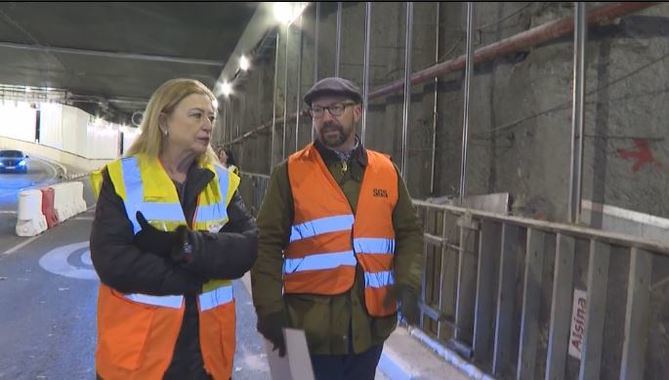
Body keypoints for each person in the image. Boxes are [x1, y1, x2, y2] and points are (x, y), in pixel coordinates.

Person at [251, 77, 423, 379]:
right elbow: (266, 243)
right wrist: (269, 310)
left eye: (336, 108)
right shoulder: (289, 173)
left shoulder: (386, 171)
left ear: (357, 112)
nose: (326, 118)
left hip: (369, 327)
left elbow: (409, 231)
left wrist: (407, 281)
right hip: (308, 328)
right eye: (318, 111)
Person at [89, 78, 257, 380]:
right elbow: (113, 262)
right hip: (139, 358)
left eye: (211, 117)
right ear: (163, 121)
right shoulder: (123, 178)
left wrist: (185, 246)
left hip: (207, 358)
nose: (207, 124)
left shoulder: (221, 182)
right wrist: (194, 277)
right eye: (196, 115)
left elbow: (249, 247)